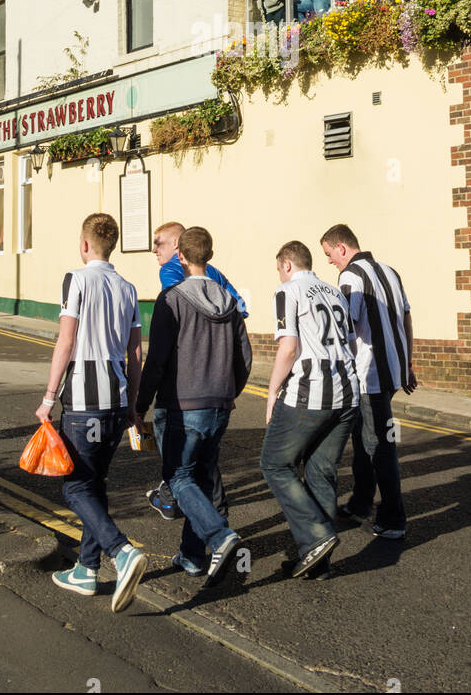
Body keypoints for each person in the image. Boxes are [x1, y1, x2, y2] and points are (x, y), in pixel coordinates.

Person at [36, 213, 147, 612]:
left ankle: (121, 552)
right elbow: (136, 353)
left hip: (84, 403)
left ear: (85, 244)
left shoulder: (77, 279)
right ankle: (85, 569)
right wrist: (133, 406)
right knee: (94, 484)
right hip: (117, 401)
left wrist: (49, 397)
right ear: (111, 245)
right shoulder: (128, 287)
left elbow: (66, 342)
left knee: (75, 486)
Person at [137, 226, 252, 581]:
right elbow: (244, 357)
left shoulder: (171, 299)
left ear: (181, 257)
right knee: (201, 478)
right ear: (210, 257)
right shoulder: (229, 301)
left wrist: (139, 407)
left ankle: (220, 536)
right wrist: (229, 391)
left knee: (178, 476)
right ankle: (191, 556)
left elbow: (156, 360)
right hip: (219, 404)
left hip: (183, 405)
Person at [260, 240, 359, 581]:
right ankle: (318, 560)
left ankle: (316, 537)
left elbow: (289, 348)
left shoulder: (288, 291)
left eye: (278, 269)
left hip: (310, 391)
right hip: (347, 393)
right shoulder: (334, 291)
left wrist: (272, 392)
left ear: (287, 265)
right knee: (321, 471)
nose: (279, 275)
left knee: (274, 463)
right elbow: (350, 340)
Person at [321, 224, 416, 539]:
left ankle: (393, 519)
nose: (331, 261)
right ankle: (360, 503)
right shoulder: (390, 271)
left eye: (330, 254)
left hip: (369, 375)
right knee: (364, 441)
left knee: (379, 447)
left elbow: (344, 328)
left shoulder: (350, 277)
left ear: (342, 248)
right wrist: (409, 364)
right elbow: (406, 317)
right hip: (393, 372)